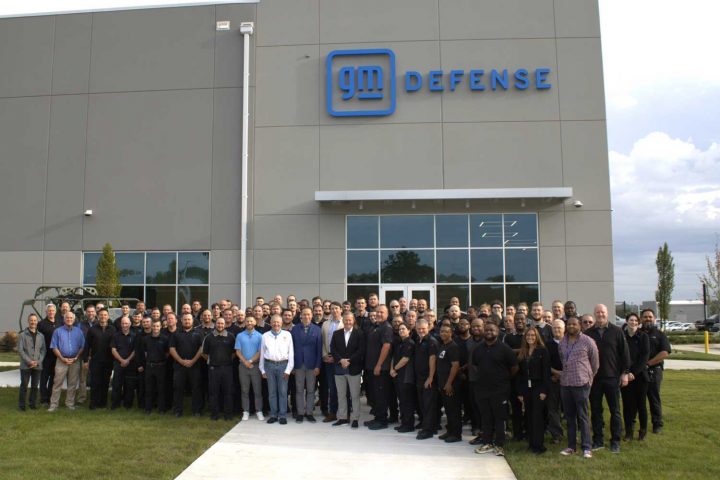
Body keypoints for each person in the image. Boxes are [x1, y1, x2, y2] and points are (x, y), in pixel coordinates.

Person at [586, 304, 631, 454]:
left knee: (615, 411)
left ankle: (615, 441)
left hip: (612, 378)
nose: (600, 314)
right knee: (596, 410)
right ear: (594, 314)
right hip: (594, 379)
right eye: (597, 312)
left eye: (603, 312)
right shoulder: (588, 333)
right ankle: (598, 440)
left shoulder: (617, 332)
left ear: (607, 313)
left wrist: (625, 373)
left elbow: (625, 355)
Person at [472, 322, 518, 457]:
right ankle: (487, 442)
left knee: (499, 418)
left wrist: (503, 378)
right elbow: (475, 366)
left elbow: (514, 367)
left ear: (497, 332)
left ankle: (499, 445)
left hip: (500, 390)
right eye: (486, 329)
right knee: (486, 417)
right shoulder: (478, 348)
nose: (488, 332)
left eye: (492, 330)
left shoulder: (505, 349)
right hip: (482, 389)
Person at [559, 317, 599, 459]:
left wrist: (589, 377)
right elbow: (563, 360)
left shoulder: (587, 341)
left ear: (580, 325)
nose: (571, 326)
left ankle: (587, 447)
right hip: (566, 383)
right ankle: (571, 446)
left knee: (582, 416)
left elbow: (595, 362)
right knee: (569, 417)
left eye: (574, 324)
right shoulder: (562, 342)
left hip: (581, 383)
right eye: (568, 324)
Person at [515, 327, 551, 454]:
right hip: (526, 388)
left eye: (533, 335)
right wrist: (520, 392)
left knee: (537, 416)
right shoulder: (523, 352)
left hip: (538, 387)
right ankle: (531, 443)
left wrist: (544, 391)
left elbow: (546, 372)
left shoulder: (542, 351)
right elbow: (519, 374)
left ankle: (539, 445)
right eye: (528, 335)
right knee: (528, 416)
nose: (530, 337)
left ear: (537, 337)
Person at [331, 311, 365, 428]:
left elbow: (361, 350)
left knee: (354, 395)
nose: (348, 322)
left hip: (354, 368)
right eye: (346, 320)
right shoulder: (336, 334)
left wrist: (348, 360)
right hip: (339, 369)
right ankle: (343, 418)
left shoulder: (359, 333)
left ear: (353, 320)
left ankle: (355, 418)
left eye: (350, 320)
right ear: (343, 321)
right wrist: (341, 360)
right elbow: (333, 349)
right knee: (341, 395)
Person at [641, 308, 671, 434]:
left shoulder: (659, 334)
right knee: (637, 399)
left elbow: (665, 352)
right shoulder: (637, 333)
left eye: (650, 316)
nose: (648, 319)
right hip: (638, 372)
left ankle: (657, 424)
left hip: (654, 370)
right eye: (645, 317)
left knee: (654, 398)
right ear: (641, 319)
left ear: (654, 318)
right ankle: (634, 424)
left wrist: (648, 363)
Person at [260, 315, 294, 424]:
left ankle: (282, 415)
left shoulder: (287, 335)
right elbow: (262, 353)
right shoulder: (265, 336)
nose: (276, 324)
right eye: (274, 322)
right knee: (272, 392)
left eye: (278, 322)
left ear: (281, 323)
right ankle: (274, 415)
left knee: (283, 392)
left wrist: (288, 369)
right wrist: (262, 369)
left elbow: (291, 353)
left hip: (283, 366)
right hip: (269, 366)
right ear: (270, 322)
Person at [48, 312, 85, 412]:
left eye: (71, 318)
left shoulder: (79, 331)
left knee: (72, 384)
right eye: (67, 318)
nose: (69, 319)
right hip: (61, 360)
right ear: (64, 319)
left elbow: (82, 346)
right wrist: (62, 358)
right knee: (57, 383)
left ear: (74, 319)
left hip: (75, 361)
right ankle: (53, 405)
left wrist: (76, 357)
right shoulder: (57, 331)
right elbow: (54, 347)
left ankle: (69, 404)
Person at [621, 313, 650, 440]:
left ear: (638, 323)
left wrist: (634, 372)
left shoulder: (643, 337)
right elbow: (620, 355)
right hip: (625, 376)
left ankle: (643, 430)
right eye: (631, 320)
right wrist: (626, 372)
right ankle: (628, 432)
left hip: (640, 377)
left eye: (635, 321)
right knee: (627, 405)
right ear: (626, 322)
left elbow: (644, 357)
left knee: (641, 405)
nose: (633, 322)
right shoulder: (622, 336)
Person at [364, 304, 393, 430]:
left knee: (381, 395)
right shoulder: (375, 326)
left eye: (382, 312)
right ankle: (377, 417)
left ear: (387, 314)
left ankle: (382, 421)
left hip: (380, 368)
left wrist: (379, 365)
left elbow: (386, 346)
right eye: (377, 312)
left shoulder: (386, 327)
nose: (379, 314)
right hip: (371, 367)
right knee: (375, 395)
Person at [291, 307, 322, 423]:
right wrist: (292, 366)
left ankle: (309, 413)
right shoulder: (294, 330)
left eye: (308, 314)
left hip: (312, 365)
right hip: (298, 364)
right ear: (300, 316)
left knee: (310, 390)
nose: (306, 316)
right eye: (304, 314)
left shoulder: (317, 329)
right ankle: (300, 413)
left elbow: (319, 350)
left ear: (311, 315)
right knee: (299, 390)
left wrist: (318, 366)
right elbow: (291, 348)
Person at [169, 313, 204, 417]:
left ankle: (196, 411)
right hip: (179, 366)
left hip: (195, 366)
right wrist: (181, 361)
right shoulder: (175, 333)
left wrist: (193, 361)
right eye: (185, 320)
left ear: (192, 321)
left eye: (189, 320)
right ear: (181, 321)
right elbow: (172, 349)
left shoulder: (199, 333)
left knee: (196, 389)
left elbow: (201, 348)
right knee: (178, 389)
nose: (187, 321)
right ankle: (178, 411)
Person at [202, 317, 236, 420]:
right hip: (213, 369)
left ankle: (228, 415)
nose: (220, 325)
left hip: (227, 368)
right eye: (218, 323)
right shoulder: (209, 337)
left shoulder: (231, 337)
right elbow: (204, 353)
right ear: (215, 324)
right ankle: (214, 414)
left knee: (228, 392)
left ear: (225, 325)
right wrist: (213, 361)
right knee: (213, 392)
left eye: (222, 323)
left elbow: (234, 353)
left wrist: (226, 360)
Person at [84, 308, 116, 409]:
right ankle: (93, 404)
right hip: (95, 361)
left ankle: (103, 403)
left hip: (108, 361)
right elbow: (87, 345)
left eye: (105, 315)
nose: (103, 317)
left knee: (105, 382)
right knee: (95, 383)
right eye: (101, 315)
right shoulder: (92, 329)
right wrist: (85, 360)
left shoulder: (112, 329)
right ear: (98, 316)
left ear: (108, 316)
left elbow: (115, 346)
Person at [137, 319, 169, 415]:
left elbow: (167, 353)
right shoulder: (146, 339)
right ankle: (148, 409)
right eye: (154, 326)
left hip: (161, 367)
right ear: (151, 327)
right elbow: (144, 352)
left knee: (161, 389)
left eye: (157, 326)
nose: (155, 328)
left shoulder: (165, 339)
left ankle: (161, 409)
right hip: (149, 367)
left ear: (161, 327)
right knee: (149, 389)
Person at [235, 316, 264, 421]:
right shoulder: (240, 335)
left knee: (257, 390)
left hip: (255, 366)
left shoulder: (260, 336)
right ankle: (246, 411)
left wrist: (250, 361)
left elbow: (260, 352)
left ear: (255, 322)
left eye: (251, 321)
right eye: (247, 321)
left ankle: (259, 411)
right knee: (244, 390)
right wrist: (245, 362)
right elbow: (238, 351)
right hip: (243, 366)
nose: (249, 322)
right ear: (245, 323)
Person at [414, 318, 439, 440]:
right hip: (420, 378)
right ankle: (430, 427)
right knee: (423, 404)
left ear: (428, 328)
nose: (421, 331)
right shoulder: (419, 340)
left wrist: (430, 377)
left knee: (428, 405)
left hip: (428, 379)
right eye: (419, 329)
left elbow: (433, 359)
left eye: (423, 329)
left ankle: (428, 430)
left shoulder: (431, 341)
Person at [437, 324, 462, 443]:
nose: (443, 334)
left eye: (446, 332)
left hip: (451, 384)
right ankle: (450, 431)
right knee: (448, 410)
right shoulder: (443, 345)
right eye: (441, 331)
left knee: (454, 410)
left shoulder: (453, 347)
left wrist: (449, 383)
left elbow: (455, 365)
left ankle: (456, 434)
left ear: (451, 333)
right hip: (442, 383)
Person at [390, 323, 415, 433]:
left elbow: (405, 359)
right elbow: (394, 357)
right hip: (398, 376)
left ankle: (408, 425)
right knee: (402, 401)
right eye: (399, 329)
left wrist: (394, 369)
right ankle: (404, 423)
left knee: (407, 402)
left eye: (403, 329)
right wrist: (392, 369)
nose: (401, 331)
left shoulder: (409, 343)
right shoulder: (399, 343)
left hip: (406, 377)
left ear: (409, 330)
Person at [320, 302, 343, 422]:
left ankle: (345, 413)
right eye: (332, 309)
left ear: (341, 310)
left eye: (336, 308)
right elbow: (323, 342)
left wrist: (337, 357)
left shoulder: (346, 322)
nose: (334, 311)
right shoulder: (325, 324)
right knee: (332, 388)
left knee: (343, 388)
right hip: (328, 360)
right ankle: (333, 412)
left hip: (340, 360)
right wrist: (325, 355)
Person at [18, 313, 46, 411]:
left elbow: (43, 350)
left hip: (37, 366)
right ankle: (22, 405)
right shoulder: (22, 335)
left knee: (35, 386)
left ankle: (32, 403)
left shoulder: (41, 336)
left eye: (35, 320)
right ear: (28, 321)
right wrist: (29, 361)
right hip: (26, 365)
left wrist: (38, 361)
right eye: (31, 320)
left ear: (37, 322)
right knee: (24, 386)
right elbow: (20, 350)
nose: (33, 322)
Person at [110, 317, 138, 409]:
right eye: (123, 323)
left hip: (130, 364)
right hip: (118, 364)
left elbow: (135, 350)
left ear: (130, 324)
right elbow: (113, 350)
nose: (125, 325)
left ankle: (128, 405)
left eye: (126, 323)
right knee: (116, 385)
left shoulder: (134, 336)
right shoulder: (115, 336)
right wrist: (122, 360)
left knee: (129, 385)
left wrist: (127, 360)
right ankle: (115, 404)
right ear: (120, 324)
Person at [547, 319, 565, 444]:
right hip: (553, 380)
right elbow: (545, 363)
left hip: (569, 380)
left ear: (564, 329)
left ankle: (572, 433)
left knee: (570, 409)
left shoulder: (570, 343)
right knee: (553, 409)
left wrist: (564, 374)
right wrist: (555, 373)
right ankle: (556, 435)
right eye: (554, 328)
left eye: (559, 327)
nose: (557, 330)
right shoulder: (547, 345)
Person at [38, 303, 59, 405]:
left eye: (53, 310)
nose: (51, 312)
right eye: (49, 311)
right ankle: (43, 398)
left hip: (56, 356)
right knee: (44, 377)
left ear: (55, 312)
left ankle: (50, 397)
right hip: (45, 356)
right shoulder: (41, 324)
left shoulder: (59, 323)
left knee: (53, 378)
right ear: (46, 312)